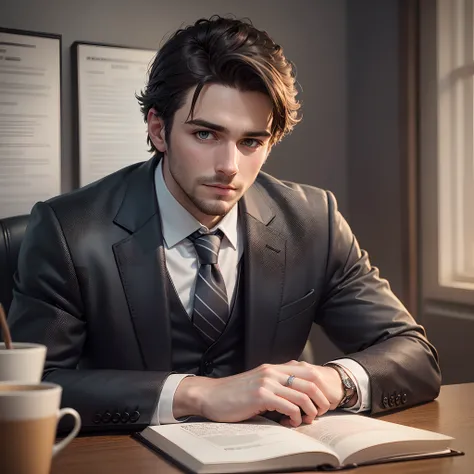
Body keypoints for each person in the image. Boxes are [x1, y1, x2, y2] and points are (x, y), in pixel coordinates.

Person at [8, 16, 440, 433]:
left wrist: (337, 381)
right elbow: (38, 385)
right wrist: (196, 394)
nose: (229, 167)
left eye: (251, 141)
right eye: (205, 135)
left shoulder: (314, 221)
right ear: (159, 130)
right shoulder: (68, 229)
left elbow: (415, 355)